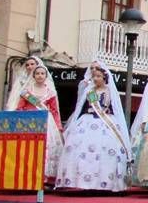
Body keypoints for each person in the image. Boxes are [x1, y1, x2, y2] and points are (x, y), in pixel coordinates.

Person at [55, 63, 130, 192]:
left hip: (106, 122)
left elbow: (115, 108)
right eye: (94, 76)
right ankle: (83, 182)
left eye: (99, 76)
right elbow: (80, 105)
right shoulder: (89, 91)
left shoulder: (110, 91)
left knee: (107, 150)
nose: (95, 79)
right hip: (88, 120)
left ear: (104, 78)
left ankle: (105, 182)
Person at [13, 63, 64, 184]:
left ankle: (44, 177)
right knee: (29, 148)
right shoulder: (26, 92)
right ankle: (27, 175)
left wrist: (58, 126)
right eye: (37, 73)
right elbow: (20, 107)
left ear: (46, 76)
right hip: (29, 122)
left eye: (42, 73)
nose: (40, 76)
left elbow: (54, 110)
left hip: (47, 122)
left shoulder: (50, 92)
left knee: (46, 147)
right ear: (33, 75)